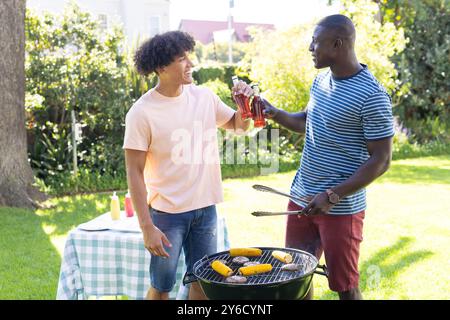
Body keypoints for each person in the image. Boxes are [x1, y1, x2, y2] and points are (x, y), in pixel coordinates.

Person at [262, 14, 394, 300]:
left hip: (340, 210)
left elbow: (381, 160)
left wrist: (332, 195)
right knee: (294, 279)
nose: (310, 48)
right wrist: (275, 113)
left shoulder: (372, 95)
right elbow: (308, 122)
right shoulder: (321, 81)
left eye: (316, 42)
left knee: (345, 288)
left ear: (337, 44)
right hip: (301, 199)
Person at [123, 31, 252, 300]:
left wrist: (245, 105)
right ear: (161, 67)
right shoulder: (142, 112)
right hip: (167, 214)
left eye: (188, 57)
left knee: (202, 283)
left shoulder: (203, 97)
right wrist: (147, 227)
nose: (190, 64)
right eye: (182, 59)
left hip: (205, 210)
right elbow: (134, 173)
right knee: (162, 286)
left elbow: (239, 126)